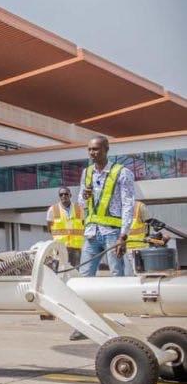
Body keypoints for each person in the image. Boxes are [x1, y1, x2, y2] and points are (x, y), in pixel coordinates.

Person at [70, 135, 135, 340]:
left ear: (106, 149)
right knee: (83, 279)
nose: (92, 153)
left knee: (116, 279)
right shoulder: (86, 173)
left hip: (112, 234)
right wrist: (85, 197)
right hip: (91, 233)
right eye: (89, 149)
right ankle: (84, 325)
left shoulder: (122, 173)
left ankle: (118, 325)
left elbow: (128, 204)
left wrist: (123, 235)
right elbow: (81, 200)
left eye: (96, 149)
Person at [47, 187, 84, 266]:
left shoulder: (79, 209)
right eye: (61, 194)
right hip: (59, 248)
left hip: (76, 248)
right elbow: (49, 228)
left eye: (66, 194)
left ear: (70, 195)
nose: (63, 196)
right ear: (59, 196)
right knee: (59, 273)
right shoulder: (53, 209)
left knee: (75, 273)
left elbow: (84, 225)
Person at [123, 200, 149, 275]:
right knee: (128, 275)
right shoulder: (118, 206)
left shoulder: (139, 206)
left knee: (140, 275)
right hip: (125, 248)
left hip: (139, 248)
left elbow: (148, 226)